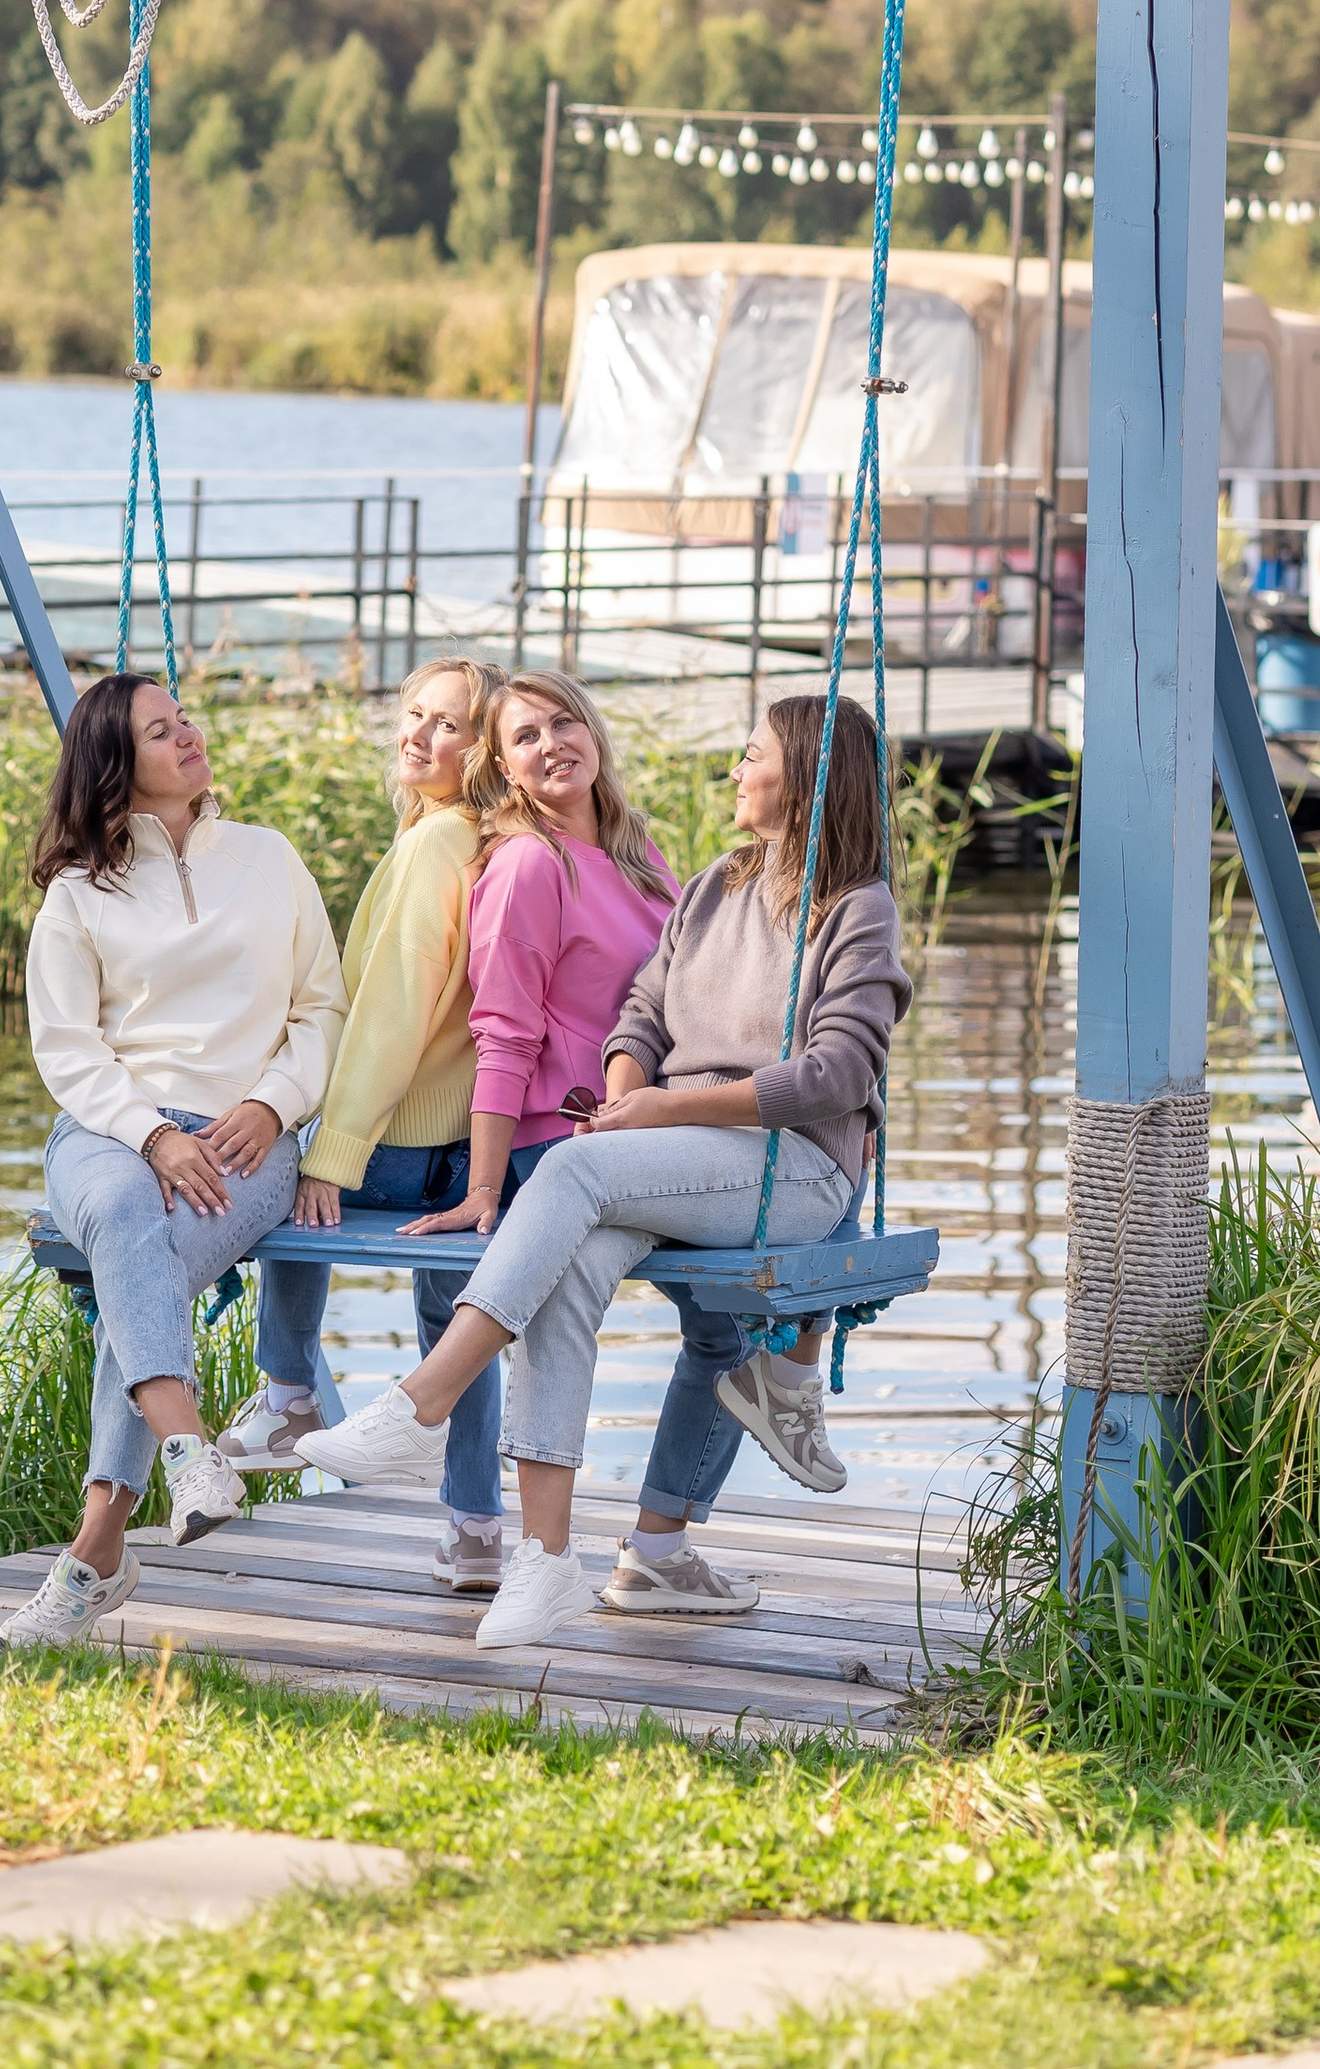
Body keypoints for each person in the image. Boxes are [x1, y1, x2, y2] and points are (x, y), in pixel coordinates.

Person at [297, 690, 907, 1654]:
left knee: (571, 1179)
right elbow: (642, 1015)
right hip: (686, 1153)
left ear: (804, 774)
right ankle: (546, 1565)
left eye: (750, 756)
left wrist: (660, 1109)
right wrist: (627, 1095)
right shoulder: (712, 886)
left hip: (792, 1168)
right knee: (569, 1268)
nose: (736, 772)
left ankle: (423, 1403)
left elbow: (839, 1071)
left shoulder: (856, 908)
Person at [0, 673, 345, 1651]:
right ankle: (190, 1452)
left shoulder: (269, 859)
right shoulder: (77, 893)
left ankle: (97, 1555)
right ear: (119, 766)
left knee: (129, 1269)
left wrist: (270, 1105)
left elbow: (321, 1008)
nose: (188, 736)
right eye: (161, 730)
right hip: (110, 1131)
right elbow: (67, 1048)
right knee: (122, 1221)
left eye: (183, 720)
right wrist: (150, 1132)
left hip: (248, 1139)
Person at [209, 656, 516, 1593]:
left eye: (450, 724)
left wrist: (333, 1153)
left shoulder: (434, 847)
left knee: (280, 1183)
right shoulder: (482, 839)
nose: (420, 736)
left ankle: (290, 1392)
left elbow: (392, 1012)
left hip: (402, 1143)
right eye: (414, 714)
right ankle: (474, 1530)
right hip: (457, 1149)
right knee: (454, 1322)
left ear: (485, 747)